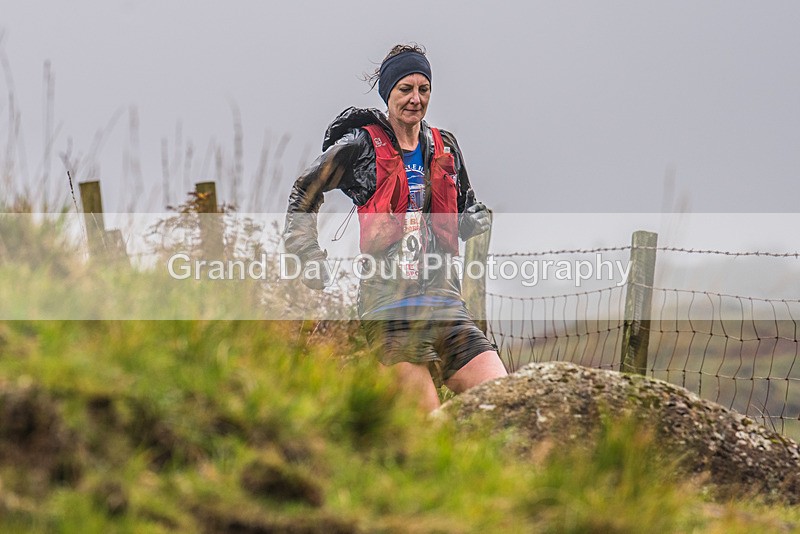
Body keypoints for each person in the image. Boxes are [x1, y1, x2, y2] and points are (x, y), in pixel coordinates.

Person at [283, 44, 507, 411]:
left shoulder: (444, 146)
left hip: (446, 305)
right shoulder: (361, 148)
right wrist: (307, 252)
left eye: (424, 89)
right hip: (389, 312)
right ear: (388, 93)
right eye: (406, 89)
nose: (416, 99)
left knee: (502, 399)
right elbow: (304, 190)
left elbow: (463, 211)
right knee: (429, 424)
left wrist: (472, 220)